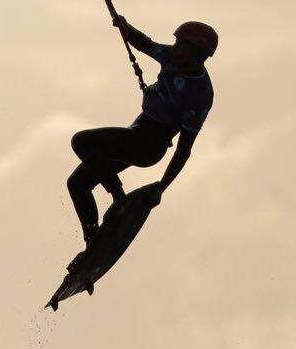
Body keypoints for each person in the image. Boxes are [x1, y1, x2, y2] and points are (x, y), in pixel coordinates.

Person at [66, 18, 218, 245]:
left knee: (81, 141)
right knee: (77, 183)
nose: (173, 48)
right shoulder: (173, 58)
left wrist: (161, 187)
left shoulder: (199, 95)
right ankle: (93, 244)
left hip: (148, 146)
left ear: (197, 53)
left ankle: (118, 197)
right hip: (136, 132)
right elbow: (145, 44)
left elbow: (184, 150)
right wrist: (125, 27)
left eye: (180, 45)